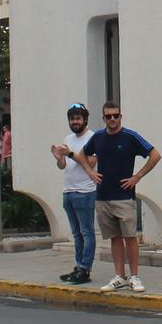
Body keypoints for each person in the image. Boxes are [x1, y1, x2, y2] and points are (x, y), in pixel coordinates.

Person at [81, 102, 160, 292]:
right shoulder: (98, 137)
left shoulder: (130, 137)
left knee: (129, 237)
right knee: (114, 237)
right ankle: (119, 276)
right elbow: (82, 154)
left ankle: (135, 277)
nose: (112, 119)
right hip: (103, 197)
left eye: (115, 115)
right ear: (103, 118)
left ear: (121, 116)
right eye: (108, 116)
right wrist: (90, 172)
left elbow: (155, 155)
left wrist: (137, 176)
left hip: (124, 197)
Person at [52, 103, 98, 284]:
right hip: (68, 191)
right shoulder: (68, 138)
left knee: (87, 233)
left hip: (85, 191)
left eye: (78, 118)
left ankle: (85, 269)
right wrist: (59, 159)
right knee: (76, 234)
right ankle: (78, 266)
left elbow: (92, 162)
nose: (75, 121)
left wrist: (70, 153)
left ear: (85, 119)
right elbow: (64, 166)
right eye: (72, 118)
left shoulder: (93, 138)